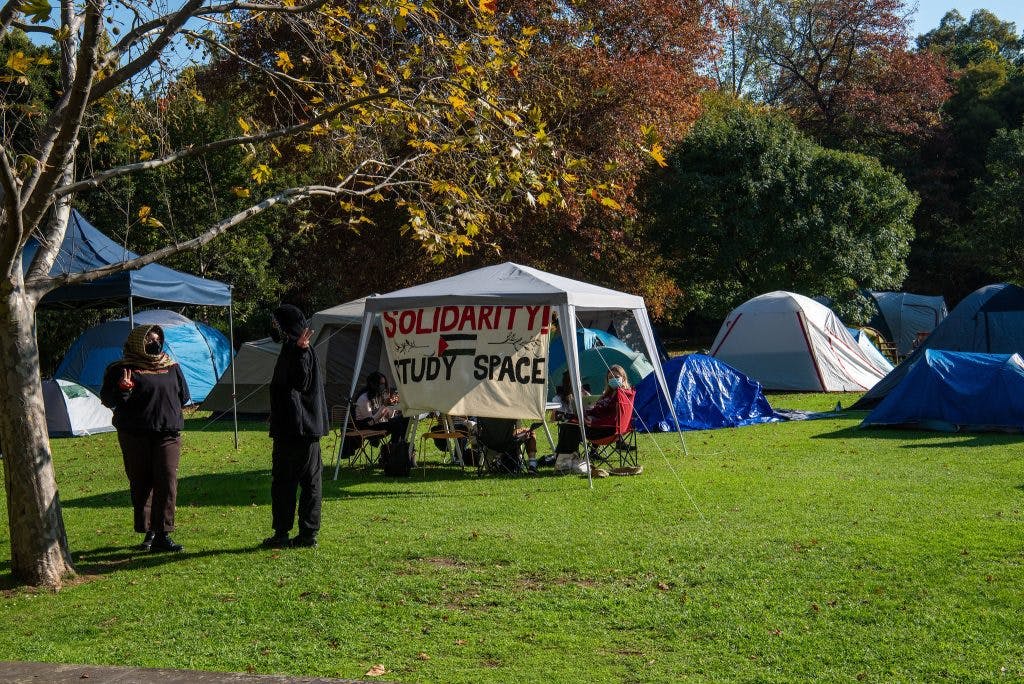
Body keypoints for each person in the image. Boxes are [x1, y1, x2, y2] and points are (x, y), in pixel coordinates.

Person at [100, 324, 191, 553]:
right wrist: (124, 390)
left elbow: (184, 395)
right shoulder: (121, 368)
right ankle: (149, 530)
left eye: (158, 338)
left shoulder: (171, 366)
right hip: (135, 434)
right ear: (138, 342)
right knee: (142, 482)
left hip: (167, 433)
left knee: (167, 480)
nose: (155, 342)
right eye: (150, 339)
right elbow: (108, 399)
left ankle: (163, 533)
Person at [262, 304, 328, 549]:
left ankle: (302, 534)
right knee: (292, 482)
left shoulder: (299, 349)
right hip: (295, 426)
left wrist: (300, 352)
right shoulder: (291, 348)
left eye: (276, 323)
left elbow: (301, 382)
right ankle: (293, 533)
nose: (273, 327)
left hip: (298, 429)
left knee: (294, 482)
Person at [554, 365, 635, 473]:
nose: (613, 379)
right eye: (610, 378)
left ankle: (565, 461)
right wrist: (586, 415)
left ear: (623, 378)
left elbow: (616, 418)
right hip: (599, 427)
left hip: (607, 431)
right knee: (568, 423)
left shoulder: (623, 395)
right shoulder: (608, 394)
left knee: (571, 426)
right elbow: (598, 411)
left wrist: (594, 422)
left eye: (616, 376)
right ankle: (564, 460)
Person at [353, 371, 409, 444]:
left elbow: (388, 417)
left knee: (404, 418)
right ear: (372, 384)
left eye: (384, 384)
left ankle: (401, 444)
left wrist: (393, 406)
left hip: (377, 424)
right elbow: (370, 422)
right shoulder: (364, 399)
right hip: (365, 428)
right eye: (380, 384)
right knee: (397, 425)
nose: (382, 387)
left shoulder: (379, 396)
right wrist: (384, 405)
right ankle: (395, 447)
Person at [475, 417, 539, 474]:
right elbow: (517, 429)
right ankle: (532, 464)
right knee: (530, 432)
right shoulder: (509, 410)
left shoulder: (484, 410)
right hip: (508, 442)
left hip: (489, 442)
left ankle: (497, 461)